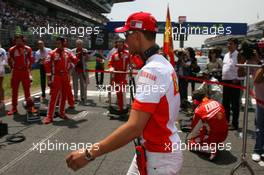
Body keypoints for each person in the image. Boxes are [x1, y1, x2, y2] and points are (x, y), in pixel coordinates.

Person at [66, 12, 183, 175]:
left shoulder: (153, 70)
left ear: (136, 35)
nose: (125, 40)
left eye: (126, 34)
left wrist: (89, 153)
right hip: (152, 151)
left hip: (159, 157)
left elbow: (134, 127)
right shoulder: (161, 63)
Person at [238, 41, 264, 162]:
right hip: (260, 99)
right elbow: (241, 74)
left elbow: (258, 78)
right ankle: (258, 150)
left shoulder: (259, 61)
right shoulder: (250, 61)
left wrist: (259, 62)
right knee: (259, 127)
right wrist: (241, 59)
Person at [43, 37, 77, 124]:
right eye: (56, 43)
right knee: (54, 97)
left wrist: (70, 67)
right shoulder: (52, 53)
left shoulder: (68, 52)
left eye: (59, 43)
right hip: (56, 77)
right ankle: (49, 116)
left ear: (63, 44)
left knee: (64, 96)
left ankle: (62, 113)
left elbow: (75, 61)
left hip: (65, 76)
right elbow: (47, 66)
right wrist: (49, 79)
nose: (57, 45)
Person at [187, 90, 228, 160]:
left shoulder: (199, 110)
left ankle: (211, 150)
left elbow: (194, 131)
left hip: (215, 135)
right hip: (225, 133)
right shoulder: (215, 102)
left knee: (191, 145)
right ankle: (213, 144)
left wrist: (189, 138)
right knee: (206, 124)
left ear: (195, 101)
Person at [7, 35, 36, 115]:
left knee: (27, 90)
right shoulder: (11, 49)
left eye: (19, 40)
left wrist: (29, 72)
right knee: (14, 90)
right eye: (16, 41)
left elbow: (31, 60)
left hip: (25, 71)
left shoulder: (28, 49)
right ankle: (14, 108)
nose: (18, 42)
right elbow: (9, 60)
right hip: (16, 71)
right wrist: (12, 68)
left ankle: (30, 107)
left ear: (23, 41)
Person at [221, 38, 241, 130]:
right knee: (225, 103)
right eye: (228, 44)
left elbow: (242, 69)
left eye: (231, 44)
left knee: (234, 104)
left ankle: (234, 124)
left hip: (234, 82)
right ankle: (226, 121)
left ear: (236, 45)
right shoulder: (225, 55)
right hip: (226, 82)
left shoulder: (239, 55)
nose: (229, 45)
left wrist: (238, 79)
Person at [108, 39, 130, 113]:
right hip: (116, 75)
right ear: (116, 45)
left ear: (123, 44)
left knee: (122, 91)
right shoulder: (114, 54)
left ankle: (124, 107)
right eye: (118, 44)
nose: (120, 45)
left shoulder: (127, 53)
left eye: (121, 44)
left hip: (124, 75)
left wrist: (131, 68)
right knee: (118, 92)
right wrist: (111, 68)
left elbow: (131, 62)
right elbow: (110, 63)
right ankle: (121, 108)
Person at [71, 39, 90, 105]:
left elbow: (87, 60)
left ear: (82, 45)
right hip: (75, 69)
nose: (79, 45)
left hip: (82, 69)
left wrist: (86, 56)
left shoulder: (85, 50)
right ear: (76, 44)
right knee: (75, 84)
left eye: (80, 44)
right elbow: (71, 60)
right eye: (78, 44)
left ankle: (82, 96)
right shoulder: (72, 51)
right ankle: (75, 97)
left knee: (83, 84)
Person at [0, 44, 7, 112]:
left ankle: (2, 101)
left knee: (0, 85)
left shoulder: (2, 50)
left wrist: (1, 65)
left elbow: (5, 60)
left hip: (0, 70)